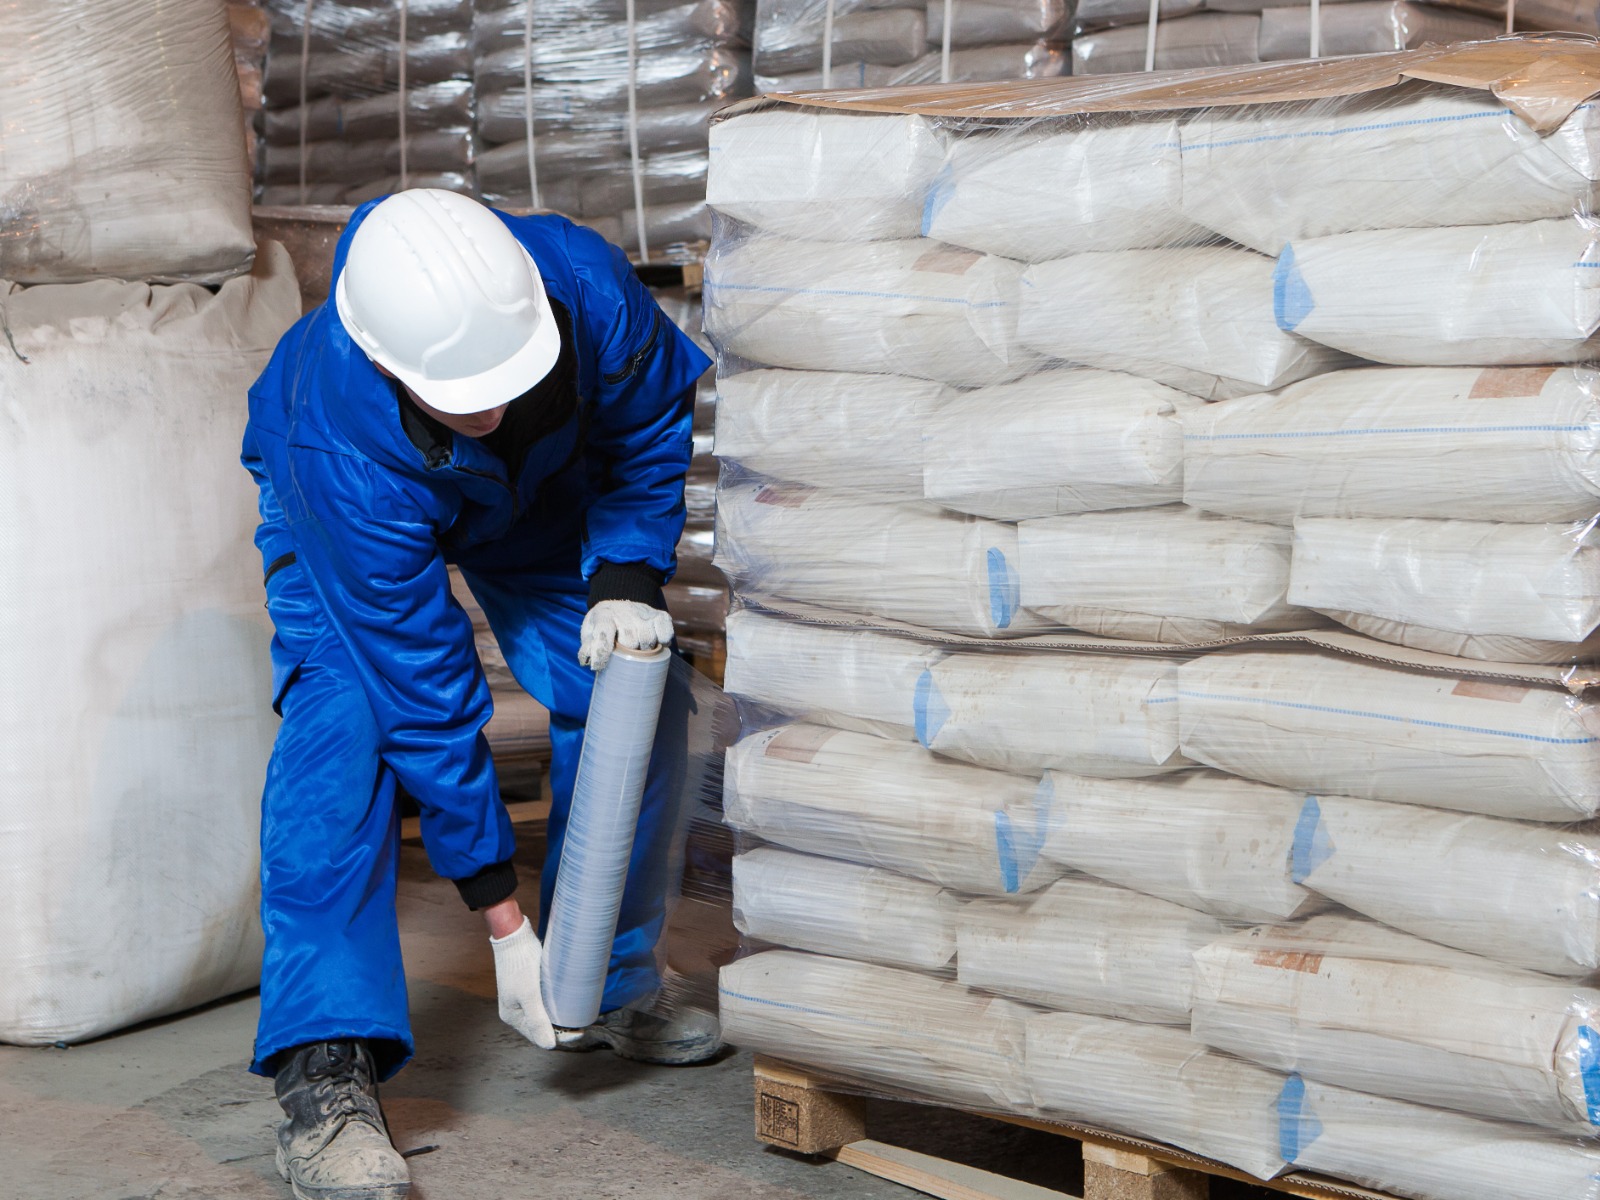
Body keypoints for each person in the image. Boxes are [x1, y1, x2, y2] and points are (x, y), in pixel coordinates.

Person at [240, 188, 717, 1200]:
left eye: (510, 375)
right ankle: (324, 1066)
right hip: (355, 511)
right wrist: (499, 915)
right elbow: (427, 690)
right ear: (383, 359)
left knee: (643, 693)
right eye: (464, 392)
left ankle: (607, 977)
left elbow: (645, 426)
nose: (492, 405)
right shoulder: (327, 433)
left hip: (540, 502)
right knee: (348, 729)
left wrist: (627, 571)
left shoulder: (581, 286)